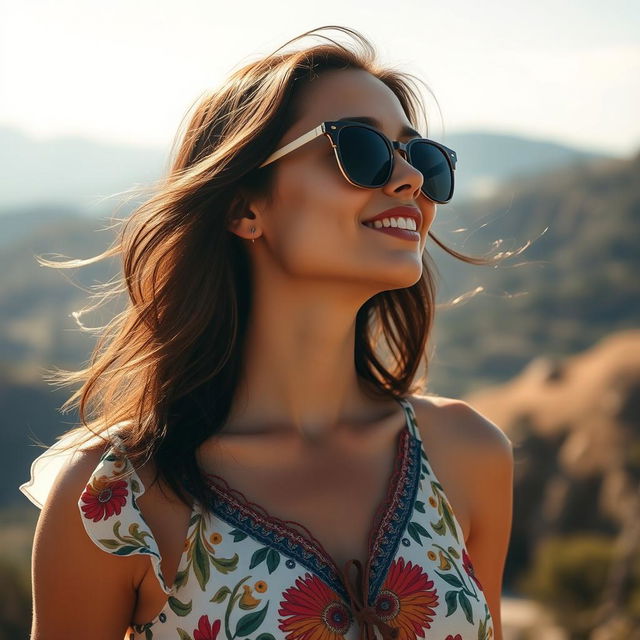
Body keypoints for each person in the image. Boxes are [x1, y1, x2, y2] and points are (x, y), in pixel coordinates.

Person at [20, 25, 513, 640]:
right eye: (361, 150)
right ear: (244, 208)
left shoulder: (468, 453)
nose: (410, 179)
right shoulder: (116, 499)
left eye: (424, 159)